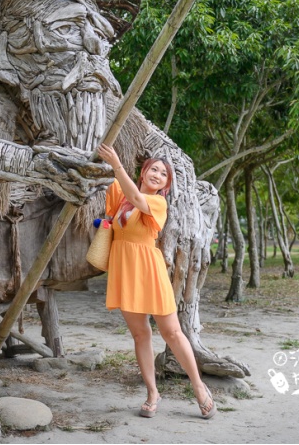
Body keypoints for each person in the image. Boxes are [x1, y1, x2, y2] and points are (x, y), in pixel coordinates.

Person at [96, 143, 216, 420]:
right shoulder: (120, 196)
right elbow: (108, 181)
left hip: (149, 270)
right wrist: (109, 162)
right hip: (124, 270)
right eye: (154, 169)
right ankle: (152, 392)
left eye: (163, 174)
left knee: (172, 332)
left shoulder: (158, 203)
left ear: (165, 184)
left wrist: (117, 164)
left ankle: (199, 387)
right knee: (140, 334)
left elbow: (137, 198)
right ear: (143, 172)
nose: (158, 174)